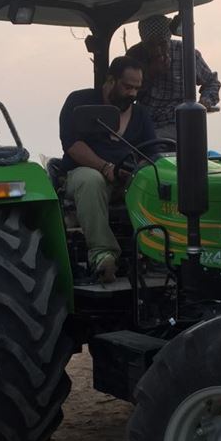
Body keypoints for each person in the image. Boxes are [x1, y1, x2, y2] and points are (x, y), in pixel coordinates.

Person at [58, 55, 157, 282]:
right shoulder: (79, 102)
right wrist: (105, 168)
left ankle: (157, 253)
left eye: (137, 88)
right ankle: (103, 255)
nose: (133, 94)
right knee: (91, 180)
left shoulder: (141, 114)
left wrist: (137, 171)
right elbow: (72, 145)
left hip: (127, 180)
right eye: (127, 87)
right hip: (82, 175)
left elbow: (151, 153)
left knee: (160, 181)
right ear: (111, 80)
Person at [126, 14, 221, 140]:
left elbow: (212, 82)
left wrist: (205, 101)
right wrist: (150, 74)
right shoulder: (134, 56)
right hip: (144, 122)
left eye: (162, 44)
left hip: (176, 122)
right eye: (151, 45)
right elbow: (126, 95)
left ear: (168, 39)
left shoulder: (185, 52)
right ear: (144, 43)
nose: (158, 50)